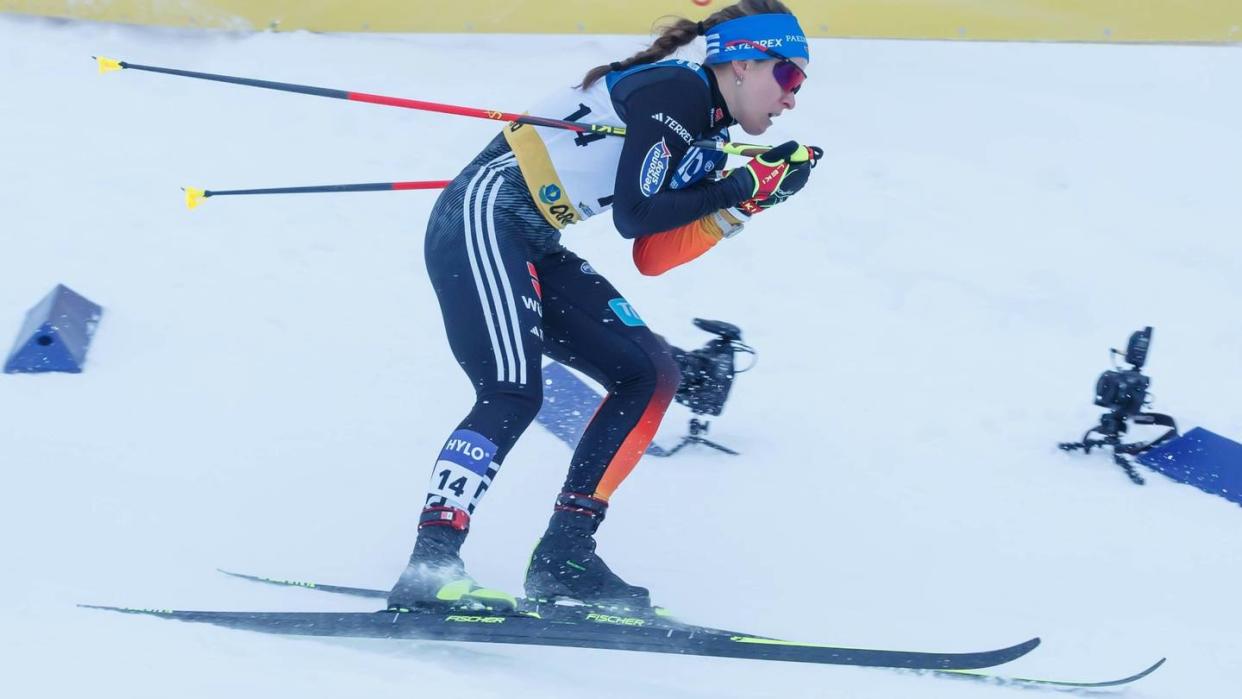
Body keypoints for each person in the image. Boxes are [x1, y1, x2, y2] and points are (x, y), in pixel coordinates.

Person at [387, 0, 820, 612]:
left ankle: (566, 557)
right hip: (482, 216)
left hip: (532, 237)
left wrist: (744, 203)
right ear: (743, 63)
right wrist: (742, 184)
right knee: (512, 389)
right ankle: (430, 564)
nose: (792, 98)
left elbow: (653, 254)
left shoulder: (704, 127)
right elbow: (635, 217)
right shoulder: (676, 91)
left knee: (649, 373)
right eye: (789, 76)